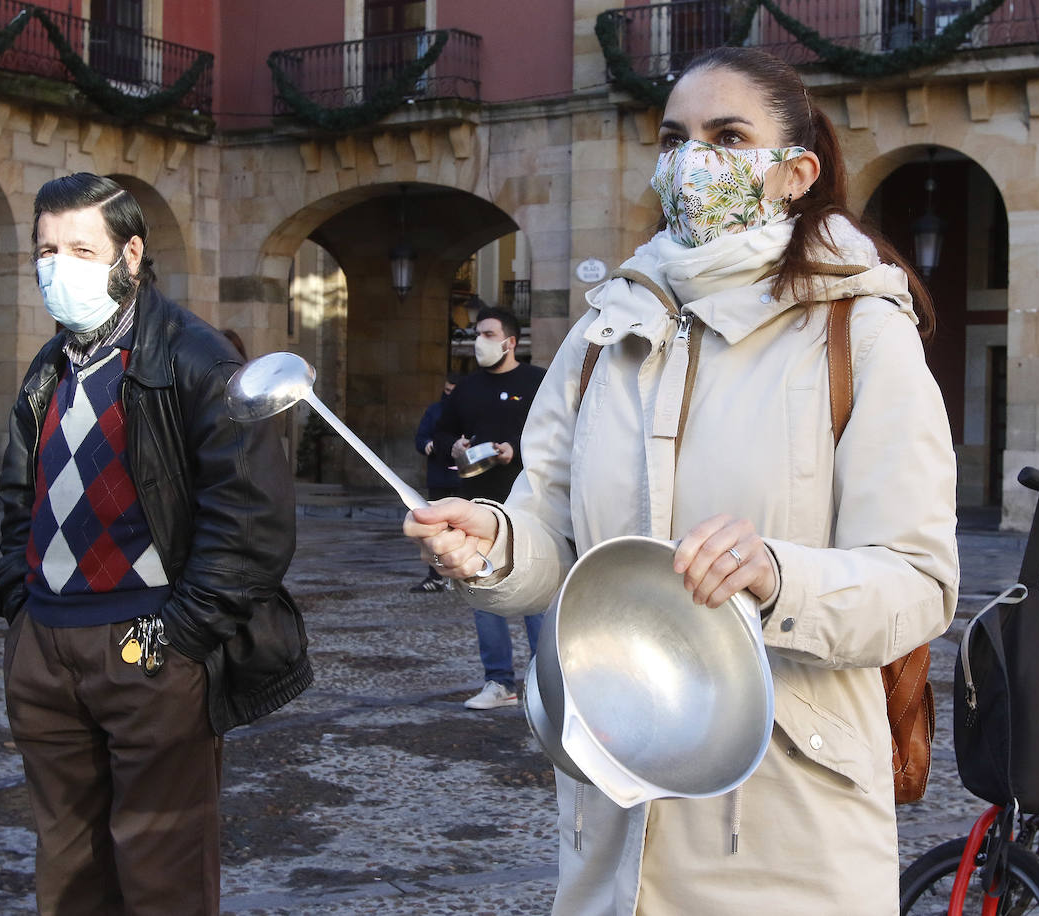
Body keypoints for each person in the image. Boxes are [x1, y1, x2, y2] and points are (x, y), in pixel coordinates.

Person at [405, 47, 958, 914]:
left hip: (787, 820)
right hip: (612, 803)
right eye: (675, 137)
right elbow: (550, 534)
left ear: (794, 172)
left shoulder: (863, 332)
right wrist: (491, 548)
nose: (691, 159)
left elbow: (920, 583)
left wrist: (778, 574)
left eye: (726, 135)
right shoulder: (601, 336)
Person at [0, 173, 310, 916]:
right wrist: (19, 602)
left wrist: (181, 633)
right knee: (66, 862)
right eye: (45, 249)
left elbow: (253, 521)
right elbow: (18, 497)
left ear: (130, 253)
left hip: (148, 641)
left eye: (78, 247)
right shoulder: (49, 367)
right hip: (46, 642)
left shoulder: (196, 360)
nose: (56, 266)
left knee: (161, 863)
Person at [433, 305, 546, 710]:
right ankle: (499, 682)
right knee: (483, 589)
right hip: (480, 503)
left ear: (509, 342)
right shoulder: (466, 388)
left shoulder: (537, 382)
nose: (479, 340)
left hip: (529, 502)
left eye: (487, 333)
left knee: (537, 595)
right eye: (477, 333)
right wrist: (454, 446)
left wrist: (515, 450)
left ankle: (542, 680)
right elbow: (441, 429)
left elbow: (556, 432)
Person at [409, 372, 460, 592]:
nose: (449, 395)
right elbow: (421, 438)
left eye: (453, 392)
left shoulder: (467, 411)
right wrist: (428, 444)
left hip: (460, 478)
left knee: (460, 528)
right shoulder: (434, 411)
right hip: (439, 476)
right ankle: (436, 575)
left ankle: (458, 574)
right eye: (446, 391)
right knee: (435, 529)